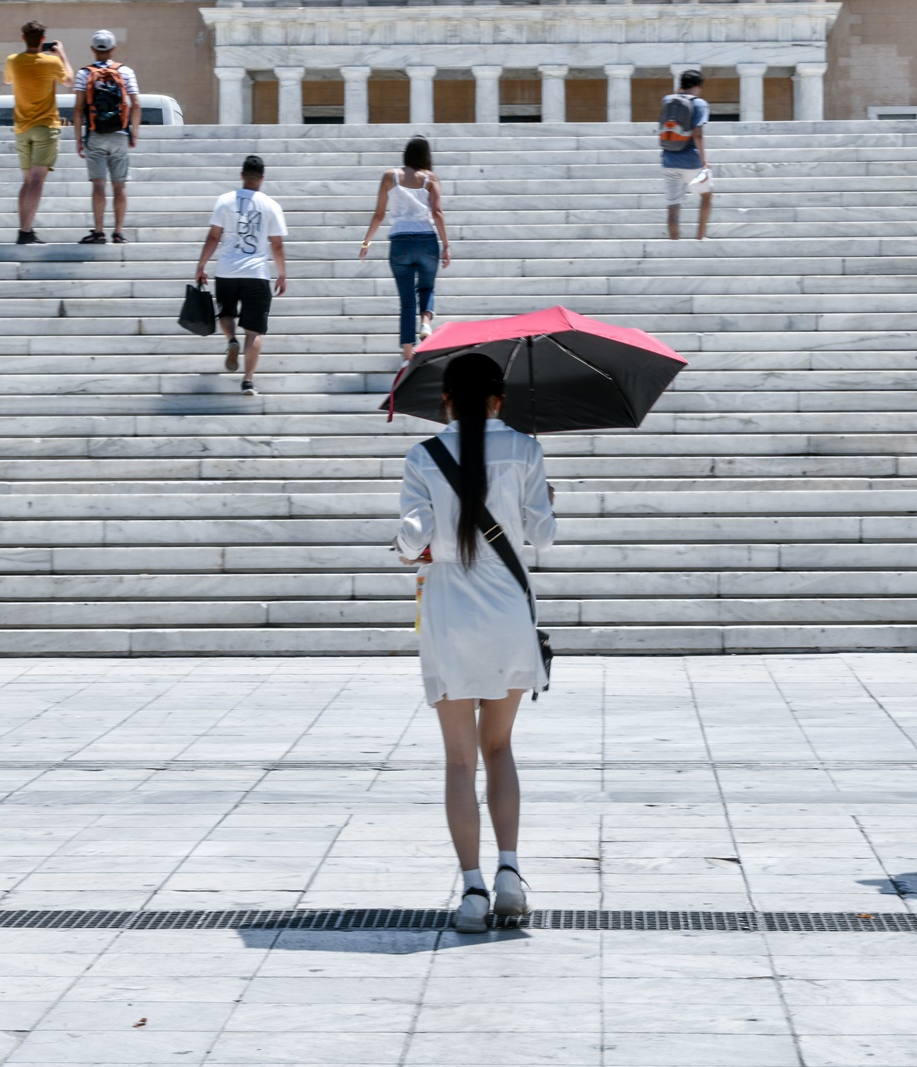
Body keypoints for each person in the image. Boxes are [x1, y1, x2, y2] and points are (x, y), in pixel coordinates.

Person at [393, 353, 557, 933]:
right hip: (509, 615)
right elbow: (542, 535)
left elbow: (411, 542)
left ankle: (472, 891)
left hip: (449, 617)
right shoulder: (525, 451)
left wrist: (423, 533)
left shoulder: (424, 457)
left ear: (446, 400)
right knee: (500, 749)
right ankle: (511, 873)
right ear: (498, 398)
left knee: (459, 760)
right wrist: (544, 499)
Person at [194, 155, 288, 397]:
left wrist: (202, 264)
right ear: (262, 179)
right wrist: (282, 274)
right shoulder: (271, 205)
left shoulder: (225, 201)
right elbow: (276, 245)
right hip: (256, 272)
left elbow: (214, 236)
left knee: (226, 314)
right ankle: (248, 381)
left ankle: (231, 340)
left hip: (227, 270)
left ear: (242, 175)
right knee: (254, 331)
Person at [360, 135, 452, 362]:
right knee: (427, 287)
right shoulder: (431, 178)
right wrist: (446, 245)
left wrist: (366, 242)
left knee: (407, 300)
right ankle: (426, 323)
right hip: (427, 240)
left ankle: (408, 355)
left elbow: (379, 214)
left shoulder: (390, 176)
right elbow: (437, 212)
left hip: (400, 242)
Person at [4, 20, 73, 245]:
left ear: (24, 38)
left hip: (22, 128)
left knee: (27, 181)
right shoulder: (52, 61)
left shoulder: (13, 61)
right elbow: (70, 81)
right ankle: (25, 231)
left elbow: (7, 80)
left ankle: (24, 230)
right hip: (45, 126)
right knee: (36, 181)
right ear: (44, 39)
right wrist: (62, 54)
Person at [73, 29, 141, 245]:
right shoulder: (126, 72)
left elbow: (77, 109)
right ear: (113, 49)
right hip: (119, 133)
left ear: (93, 49)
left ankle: (99, 232)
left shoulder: (84, 73)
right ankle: (119, 232)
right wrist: (134, 133)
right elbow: (136, 104)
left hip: (95, 133)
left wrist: (78, 139)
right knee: (119, 185)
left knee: (98, 185)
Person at [659, 69, 712, 241]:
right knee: (706, 195)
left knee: (673, 206)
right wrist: (704, 162)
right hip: (691, 161)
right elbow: (698, 133)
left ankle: (674, 243)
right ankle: (700, 237)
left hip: (669, 159)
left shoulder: (667, 100)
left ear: (680, 84)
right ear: (699, 86)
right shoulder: (700, 104)